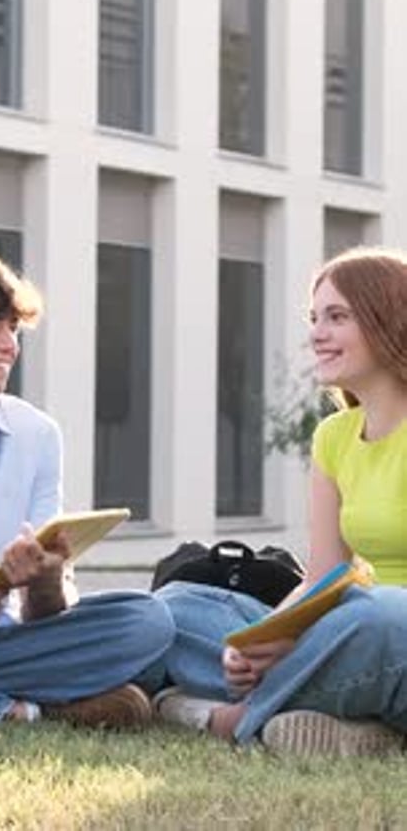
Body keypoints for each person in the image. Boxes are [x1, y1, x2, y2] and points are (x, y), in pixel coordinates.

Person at [154, 246, 407, 756]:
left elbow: (365, 613)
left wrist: (308, 640)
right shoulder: (334, 436)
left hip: (390, 635)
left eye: (337, 317)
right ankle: (357, 726)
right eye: (315, 319)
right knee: (179, 608)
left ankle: (218, 715)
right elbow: (323, 579)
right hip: (350, 637)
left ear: (390, 321)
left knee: (383, 613)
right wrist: (265, 640)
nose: (317, 333)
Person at [0, 248, 174, 727]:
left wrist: (45, 577)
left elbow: (43, 616)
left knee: (147, 622)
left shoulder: (35, 436)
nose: (9, 343)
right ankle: (19, 710)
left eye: (13, 328)